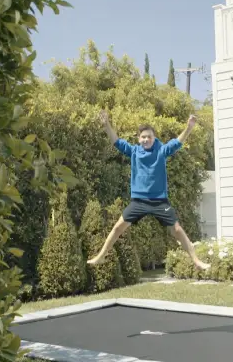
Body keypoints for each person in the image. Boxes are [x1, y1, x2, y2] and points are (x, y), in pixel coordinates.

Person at [87, 110, 211, 271]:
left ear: (154, 138)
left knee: (177, 229)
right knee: (118, 227)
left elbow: (177, 142)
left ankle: (196, 260)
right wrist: (106, 125)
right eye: (143, 137)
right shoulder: (133, 151)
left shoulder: (161, 151)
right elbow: (116, 141)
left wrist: (188, 128)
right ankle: (101, 255)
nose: (146, 139)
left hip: (159, 201)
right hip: (138, 201)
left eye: (149, 137)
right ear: (139, 139)